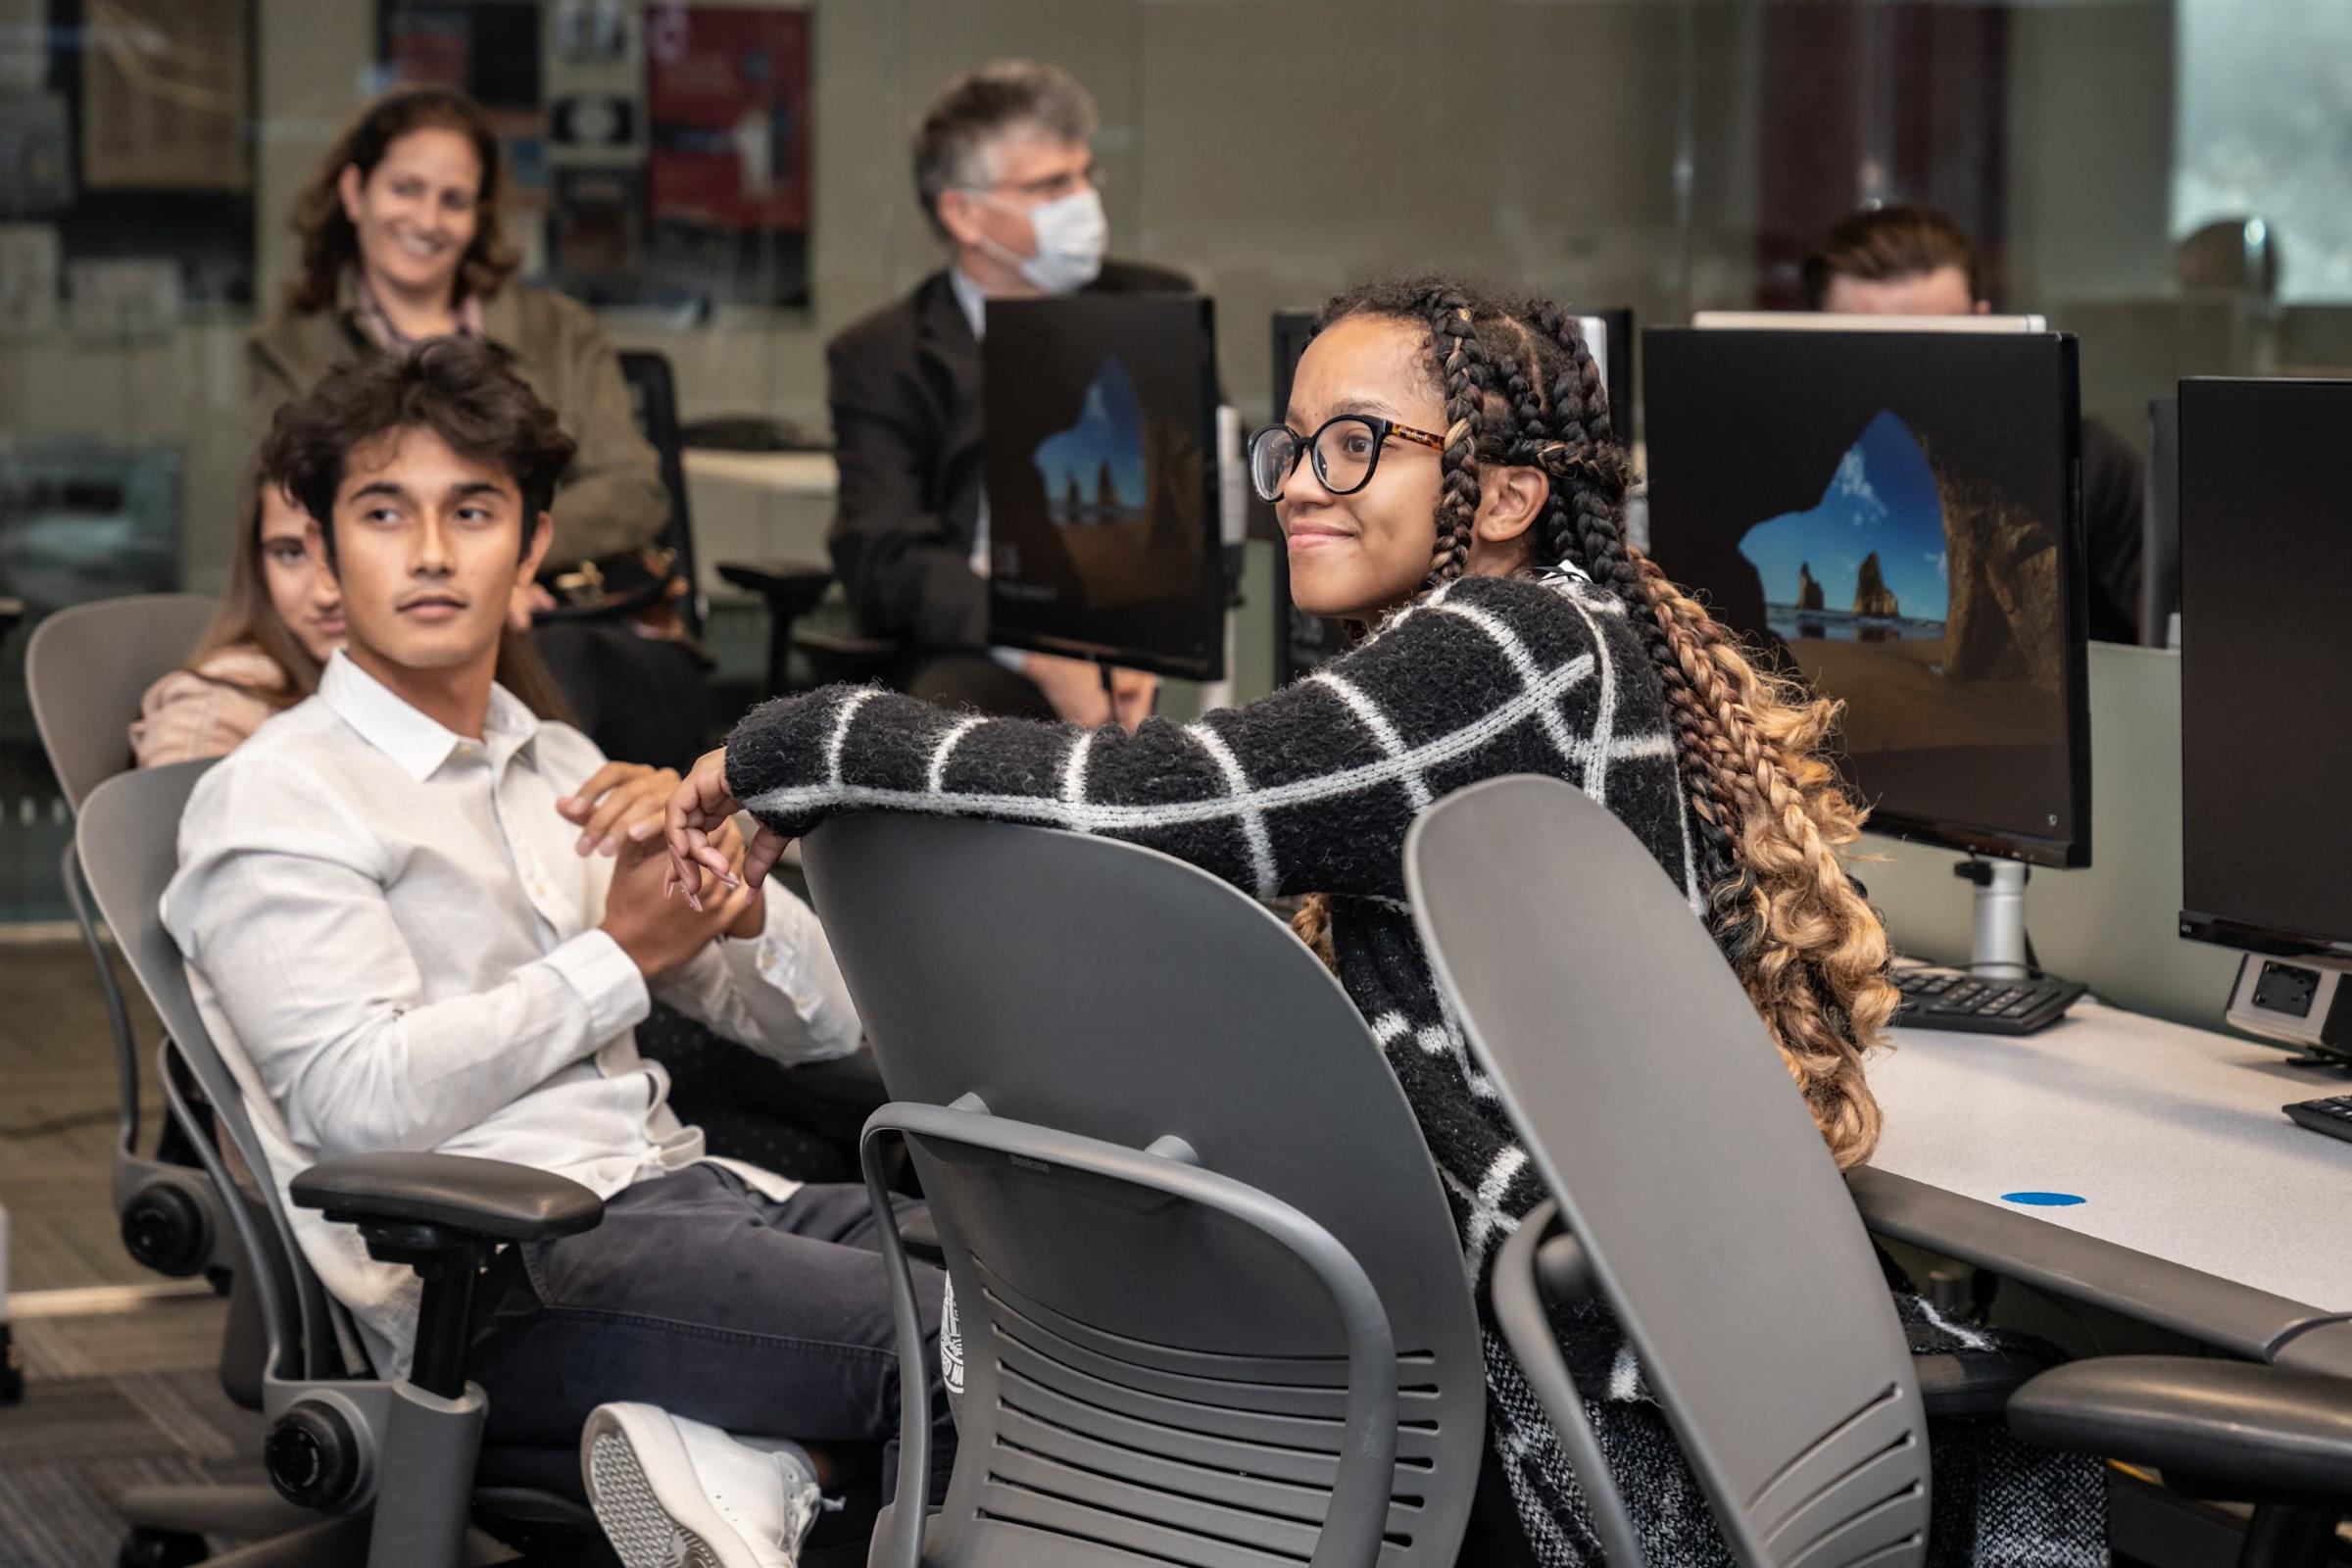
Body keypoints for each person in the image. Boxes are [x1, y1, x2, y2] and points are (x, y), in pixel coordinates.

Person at [670, 279, 2108, 1566]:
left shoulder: (1511, 647)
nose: (1302, 483)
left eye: (1355, 443)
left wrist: (802, 739)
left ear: (1501, 497)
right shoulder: (1503, 656)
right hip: (1496, 1401)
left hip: (1586, 1432)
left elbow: (1155, 796)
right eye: (1291, 446)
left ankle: (808, 1502)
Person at [165, 340, 949, 1568]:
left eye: (471, 511)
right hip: (502, 1277)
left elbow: (827, 1028)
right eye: (384, 513)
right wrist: (618, 958)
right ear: (318, 549)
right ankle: (781, 1468)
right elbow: (355, 1100)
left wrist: (733, 910)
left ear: (530, 546)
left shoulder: (561, 768)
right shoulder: (276, 798)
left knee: (1058, 1295)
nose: (429, 552)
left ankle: (770, 1468)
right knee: (970, 1349)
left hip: (694, 1202)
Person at [251, 82, 709, 768]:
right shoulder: (291, 351)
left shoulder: (561, 330)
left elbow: (635, 490)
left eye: (454, 199)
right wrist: (473, 567)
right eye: (405, 188)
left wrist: (495, 566)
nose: (427, 219)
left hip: (584, 628)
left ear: (479, 216)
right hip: (381, 638)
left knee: (552, 674)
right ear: (354, 193)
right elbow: (290, 508)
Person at [825, 59, 1183, 725]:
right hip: (978, 650)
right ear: (964, 214)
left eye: (1084, 175)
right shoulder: (884, 355)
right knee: (946, 717)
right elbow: (885, 558)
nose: (1083, 202)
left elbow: (1191, 495)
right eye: (1051, 186)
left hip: (1138, 639)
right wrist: (1045, 654)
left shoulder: (1154, 307)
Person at [1802, 203, 2148, 644]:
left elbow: (2170, 648)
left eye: (1936, 346)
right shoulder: (1791, 469)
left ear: (1985, 326)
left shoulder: (2084, 461)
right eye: (1865, 348)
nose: (1901, 377)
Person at [133, 454, 571, 767]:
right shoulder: (224, 703)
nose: (326, 590)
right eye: (289, 554)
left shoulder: (466, 681)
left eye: (384, 525)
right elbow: (181, 877)